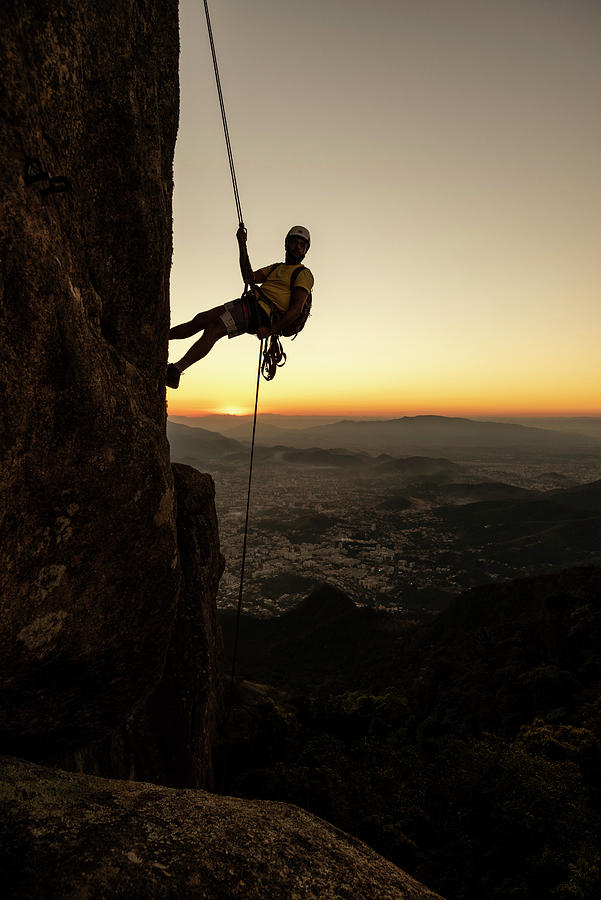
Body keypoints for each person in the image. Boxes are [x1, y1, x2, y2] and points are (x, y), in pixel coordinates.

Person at [166, 225, 314, 389]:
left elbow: (296, 309)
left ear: (305, 251)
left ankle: (176, 371)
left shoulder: (304, 274)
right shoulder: (277, 268)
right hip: (249, 303)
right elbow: (248, 277)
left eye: (302, 245)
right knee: (202, 319)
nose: (298, 248)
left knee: (214, 329)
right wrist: (242, 244)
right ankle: (162, 337)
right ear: (287, 244)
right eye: (295, 242)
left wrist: (271, 330)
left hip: (261, 313)